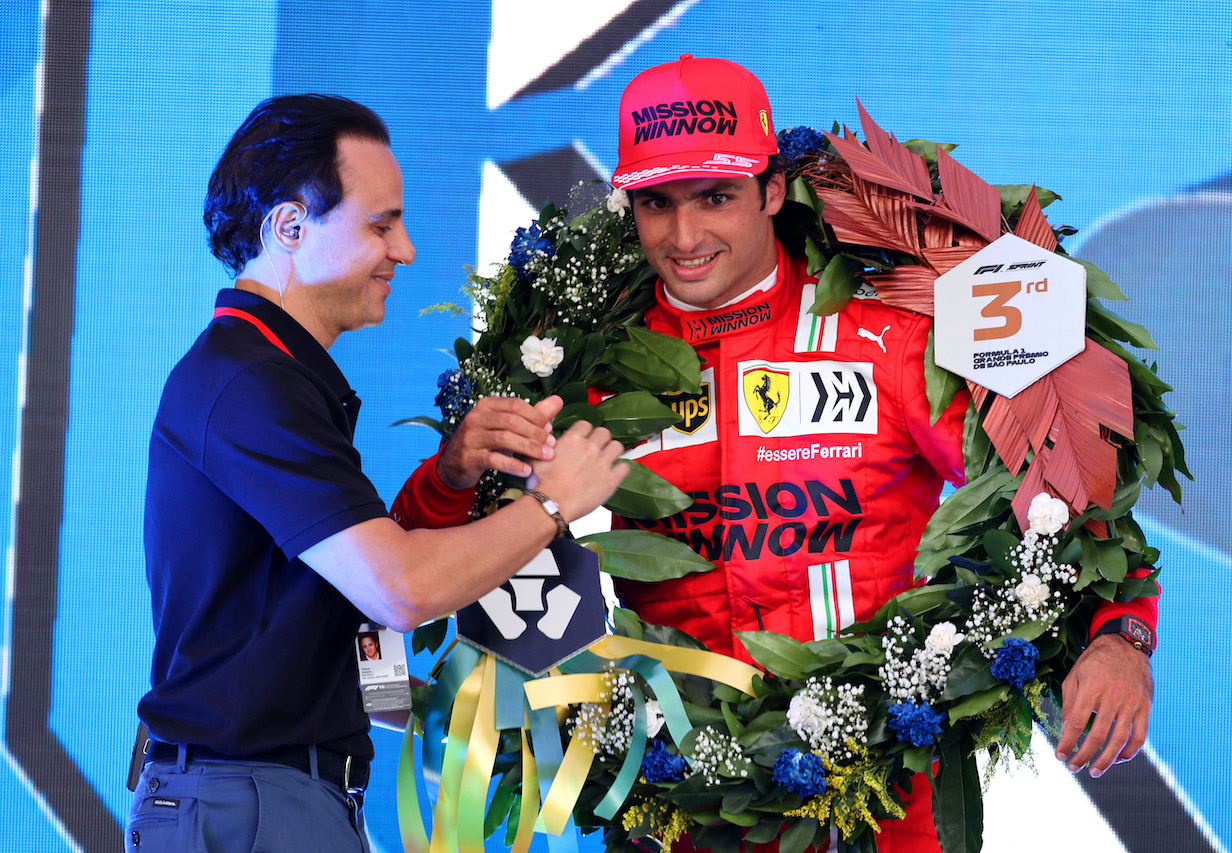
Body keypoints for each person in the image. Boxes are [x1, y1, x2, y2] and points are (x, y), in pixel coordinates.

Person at [602, 56, 1158, 852]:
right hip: (677, 807)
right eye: (657, 203)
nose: (685, 237)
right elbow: (457, 542)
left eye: (716, 197)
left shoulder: (893, 336)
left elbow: (1063, 481)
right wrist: (449, 481)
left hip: (883, 804)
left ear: (770, 188)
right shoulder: (591, 364)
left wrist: (1120, 633)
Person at [129, 94, 627, 853]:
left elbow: (326, 617)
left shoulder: (279, 376)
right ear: (289, 226)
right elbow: (400, 588)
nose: (407, 250)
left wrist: (453, 477)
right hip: (254, 800)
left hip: (276, 796)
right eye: (381, 223)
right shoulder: (247, 385)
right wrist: (555, 502)